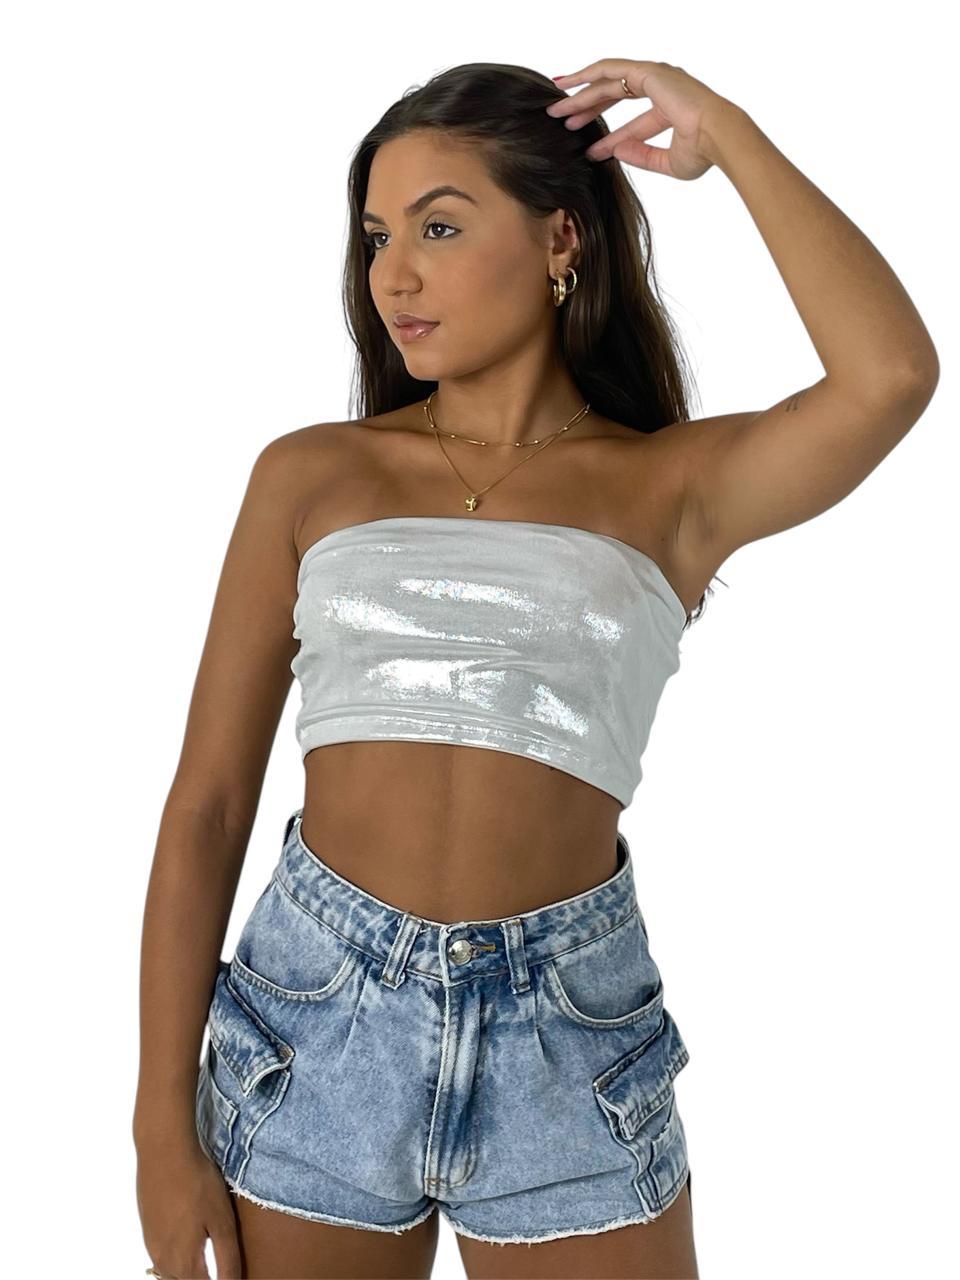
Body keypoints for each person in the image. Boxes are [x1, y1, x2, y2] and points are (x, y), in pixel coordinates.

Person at [133, 59, 939, 1280]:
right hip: (314, 1024)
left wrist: (729, 136)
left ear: (562, 238)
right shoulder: (310, 474)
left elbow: (891, 377)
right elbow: (206, 802)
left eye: (440, 227)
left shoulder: (668, 487)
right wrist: (158, 1121)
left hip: (568, 1036)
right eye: (378, 236)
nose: (393, 275)